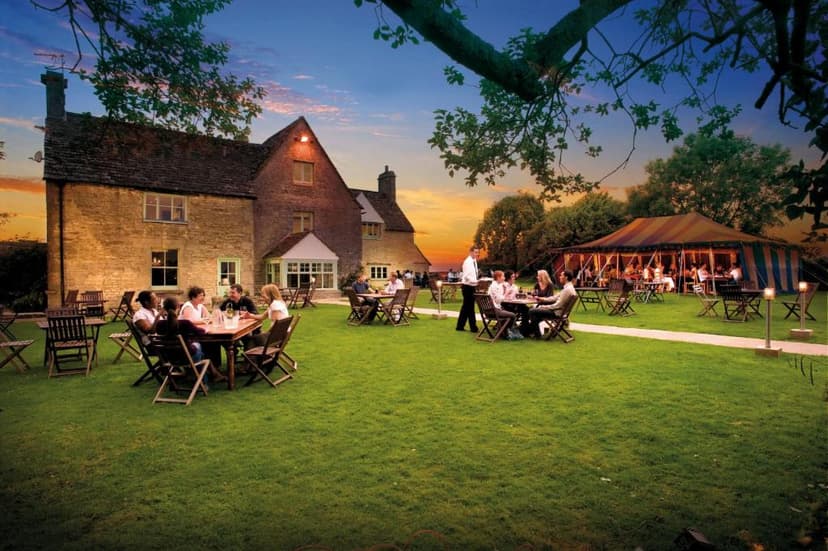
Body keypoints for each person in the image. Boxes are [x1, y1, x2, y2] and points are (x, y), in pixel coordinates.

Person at [156, 296, 224, 382]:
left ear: (164, 308)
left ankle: (200, 373)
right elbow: (201, 332)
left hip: (169, 357)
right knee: (199, 347)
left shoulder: (159, 324)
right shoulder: (185, 323)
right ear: (178, 307)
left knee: (199, 350)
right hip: (187, 356)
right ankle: (204, 380)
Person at [522, 270, 578, 338]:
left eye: (561, 275)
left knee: (531, 311)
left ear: (566, 277)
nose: (559, 277)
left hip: (556, 313)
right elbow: (554, 297)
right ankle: (529, 332)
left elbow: (557, 305)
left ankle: (531, 332)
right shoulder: (568, 288)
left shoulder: (567, 290)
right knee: (535, 314)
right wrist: (542, 299)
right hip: (561, 312)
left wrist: (543, 307)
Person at [456, 246, 480, 332]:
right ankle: (473, 327)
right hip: (467, 287)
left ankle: (460, 326)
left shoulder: (474, 261)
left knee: (466, 307)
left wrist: (476, 281)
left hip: (472, 286)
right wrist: (476, 282)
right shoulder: (467, 262)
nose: (477, 254)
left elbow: (473, 274)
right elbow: (466, 276)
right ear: (470, 252)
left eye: (478, 252)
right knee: (469, 307)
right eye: (475, 252)